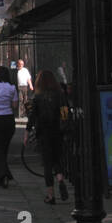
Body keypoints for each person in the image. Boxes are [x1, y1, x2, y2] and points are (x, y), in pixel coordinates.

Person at [31, 69, 69, 204]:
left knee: (47, 164)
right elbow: (65, 113)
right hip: (57, 132)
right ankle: (60, 179)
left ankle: (51, 195)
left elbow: (32, 116)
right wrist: (64, 127)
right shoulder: (60, 94)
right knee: (57, 159)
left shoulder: (38, 96)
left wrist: (27, 131)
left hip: (43, 133)